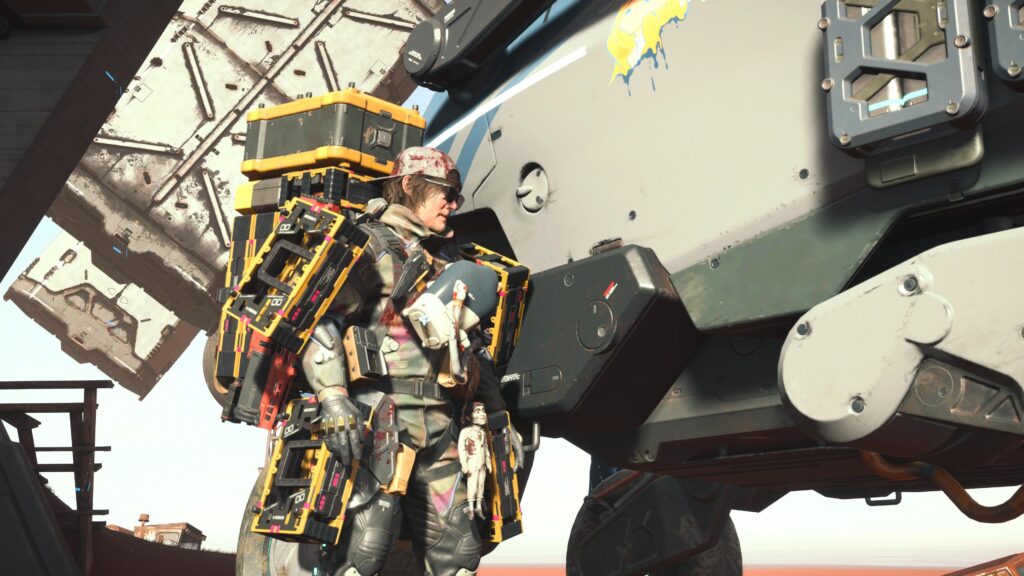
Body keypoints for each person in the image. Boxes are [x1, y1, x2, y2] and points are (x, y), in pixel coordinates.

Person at [299, 146, 519, 576]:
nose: (453, 204)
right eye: (446, 193)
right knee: (362, 552)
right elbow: (322, 322)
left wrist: (497, 418)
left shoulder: (449, 263)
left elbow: (473, 349)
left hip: (441, 423)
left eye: (456, 196)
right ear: (409, 186)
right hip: (382, 421)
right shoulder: (371, 247)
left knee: (460, 555)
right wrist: (333, 396)